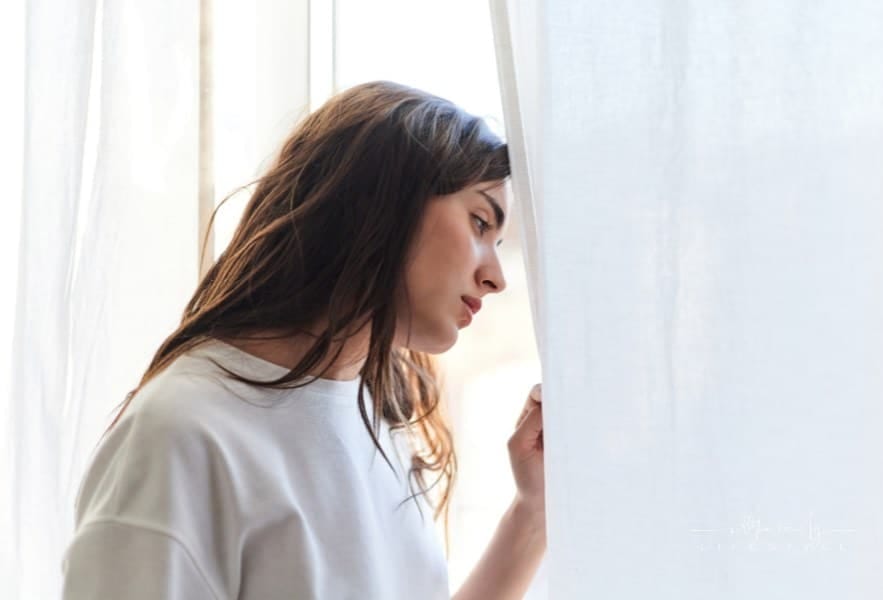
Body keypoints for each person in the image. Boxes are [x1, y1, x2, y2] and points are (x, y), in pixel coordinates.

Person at [61, 80, 545, 600]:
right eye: (478, 223)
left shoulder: (380, 421)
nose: (496, 276)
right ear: (382, 202)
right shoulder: (183, 436)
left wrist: (533, 513)